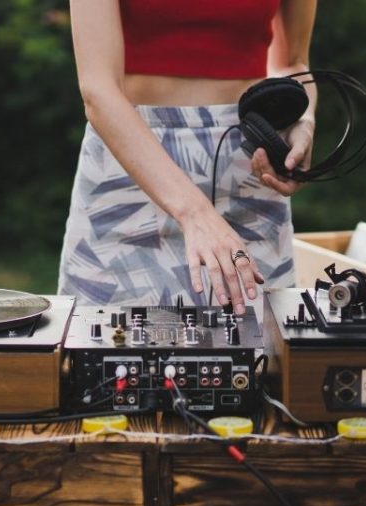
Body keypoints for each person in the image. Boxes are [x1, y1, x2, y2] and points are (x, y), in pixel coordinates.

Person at [58, 0, 318, 315]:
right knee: (103, 352)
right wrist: (196, 214)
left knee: (262, 354)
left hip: (248, 170)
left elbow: (292, 63)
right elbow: (99, 90)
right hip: (129, 168)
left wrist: (302, 121)